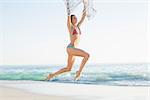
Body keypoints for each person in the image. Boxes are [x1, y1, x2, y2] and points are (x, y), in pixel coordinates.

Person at [46, 3, 89, 81]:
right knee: (87, 55)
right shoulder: (71, 27)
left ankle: (51, 75)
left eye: (76, 18)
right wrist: (68, 8)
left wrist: (85, 5)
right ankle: (79, 72)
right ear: (71, 20)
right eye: (74, 18)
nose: (76, 19)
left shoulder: (78, 26)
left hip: (73, 50)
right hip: (71, 48)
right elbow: (68, 17)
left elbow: (83, 16)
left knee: (68, 68)